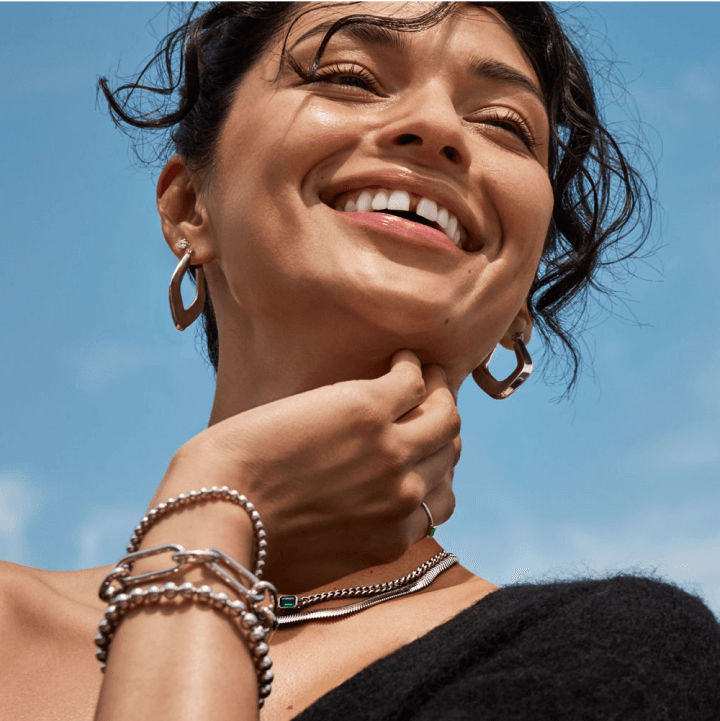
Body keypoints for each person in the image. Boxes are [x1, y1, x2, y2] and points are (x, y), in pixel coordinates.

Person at [1, 2, 718, 719]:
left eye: (504, 123)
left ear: (520, 304)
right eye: (349, 76)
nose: (438, 128)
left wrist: (214, 503)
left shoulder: (611, 658)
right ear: (191, 204)